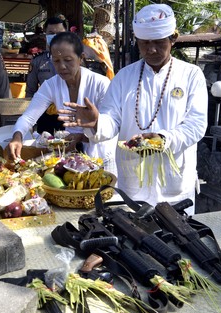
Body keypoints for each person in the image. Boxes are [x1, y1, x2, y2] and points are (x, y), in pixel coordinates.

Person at [59, 4, 208, 214]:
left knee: (176, 243)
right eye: (145, 43)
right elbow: (111, 119)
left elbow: (197, 125)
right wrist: (97, 122)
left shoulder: (191, 75)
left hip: (175, 188)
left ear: (173, 39)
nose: (152, 49)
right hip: (133, 185)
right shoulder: (124, 77)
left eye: (159, 42)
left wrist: (163, 139)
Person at [8, 32, 117, 174]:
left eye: (68, 60)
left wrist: (85, 132)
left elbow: (110, 127)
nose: (62, 66)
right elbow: (29, 117)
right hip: (71, 156)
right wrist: (17, 137)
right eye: (56, 61)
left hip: (101, 153)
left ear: (81, 58)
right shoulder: (51, 85)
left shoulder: (101, 83)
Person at [25, 15, 68, 134]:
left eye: (59, 33)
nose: (55, 36)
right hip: (45, 115)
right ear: (45, 34)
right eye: (51, 33)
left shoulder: (75, 60)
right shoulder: (38, 61)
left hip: (69, 115)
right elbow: (30, 92)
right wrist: (29, 122)